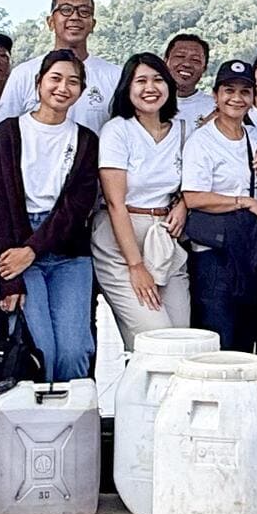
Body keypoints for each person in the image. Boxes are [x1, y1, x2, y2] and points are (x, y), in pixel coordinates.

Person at [0, 49, 101, 380]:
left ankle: (74, 422)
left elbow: (76, 208)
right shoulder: (9, 132)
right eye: (55, 78)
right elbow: (1, 205)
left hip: (67, 251)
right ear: (38, 83)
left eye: (73, 81)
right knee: (40, 348)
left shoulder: (85, 140)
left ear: (81, 90)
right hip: (16, 243)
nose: (63, 87)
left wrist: (33, 249)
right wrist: (10, 279)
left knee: (74, 349)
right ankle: (36, 425)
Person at [94, 52, 191, 349]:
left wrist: (184, 205)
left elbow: (196, 182)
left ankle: (165, 398)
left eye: (158, 80)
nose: (150, 88)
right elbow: (114, 203)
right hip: (121, 241)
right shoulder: (117, 130)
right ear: (128, 87)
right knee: (155, 338)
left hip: (165, 238)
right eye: (141, 81)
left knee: (183, 336)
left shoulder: (184, 130)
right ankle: (136, 397)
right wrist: (135, 266)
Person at [183, 60, 257, 355]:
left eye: (245, 91)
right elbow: (194, 197)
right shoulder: (202, 141)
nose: (236, 98)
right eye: (229, 90)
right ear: (215, 95)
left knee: (248, 330)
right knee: (219, 331)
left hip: (250, 249)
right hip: (214, 253)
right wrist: (243, 201)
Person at [0, 0, 123, 132]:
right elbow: (4, 130)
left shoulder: (115, 76)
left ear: (93, 24)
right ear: (50, 22)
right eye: (66, 10)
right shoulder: (24, 74)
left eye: (84, 12)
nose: (75, 17)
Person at [163, 32, 215, 125]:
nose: (186, 64)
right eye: (180, 56)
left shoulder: (215, 109)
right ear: (165, 61)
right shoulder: (147, 103)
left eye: (195, 60)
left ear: (204, 68)